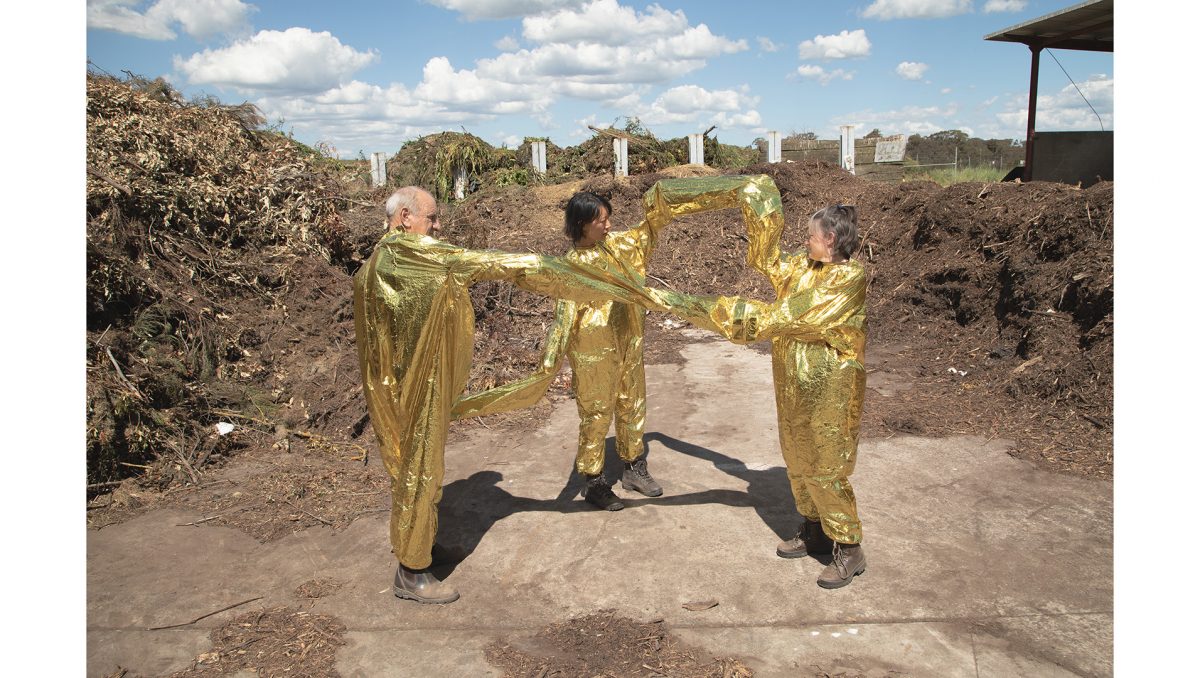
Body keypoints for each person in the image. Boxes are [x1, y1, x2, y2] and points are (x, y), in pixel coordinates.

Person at [354, 186, 688, 604]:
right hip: (412, 389)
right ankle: (411, 572)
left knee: (420, 470)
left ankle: (421, 546)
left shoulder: (377, 263)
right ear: (405, 217)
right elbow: (479, 263)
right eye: (432, 218)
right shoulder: (409, 254)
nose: (438, 226)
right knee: (418, 471)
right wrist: (535, 267)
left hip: (404, 385)